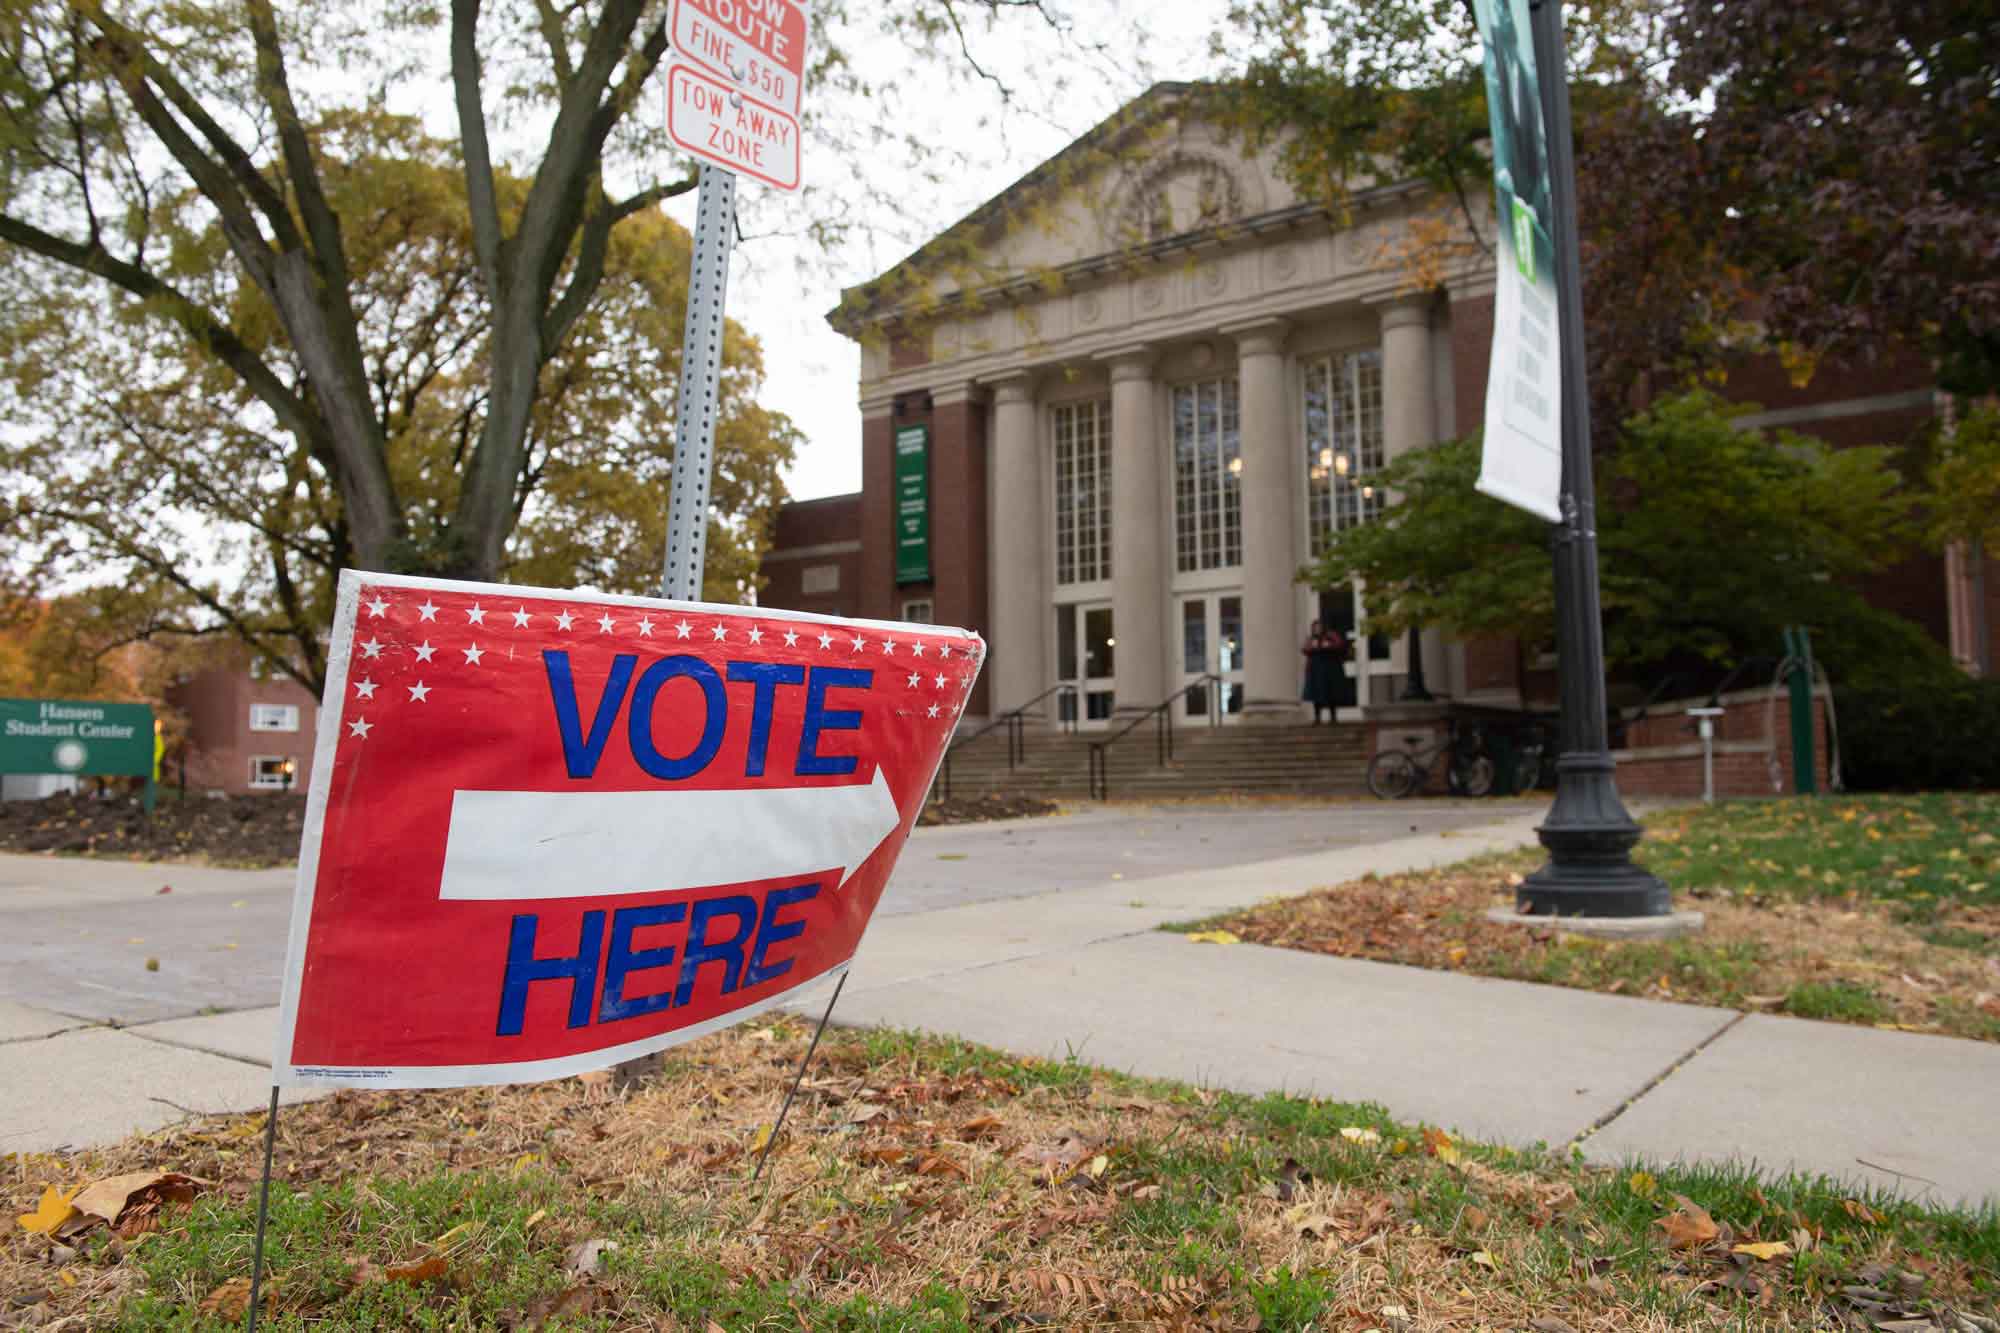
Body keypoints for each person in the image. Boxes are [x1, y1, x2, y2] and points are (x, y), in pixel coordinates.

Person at [1301, 621, 1347, 724]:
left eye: (1319, 627)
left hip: (1330, 671)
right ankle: (1317, 718)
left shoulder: (1331, 635)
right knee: (1316, 695)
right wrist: (1313, 647)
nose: (1317, 629)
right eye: (1315, 628)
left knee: (1332, 694)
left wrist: (1328, 645)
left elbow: (1339, 645)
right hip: (1315, 672)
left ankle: (1333, 717)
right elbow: (1304, 648)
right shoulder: (1311, 639)